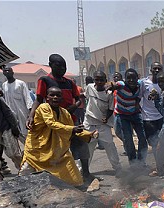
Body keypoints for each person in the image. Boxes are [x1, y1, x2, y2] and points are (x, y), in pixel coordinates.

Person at [27, 54, 95, 182]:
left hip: (69, 119)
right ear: (50, 65)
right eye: (59, 65)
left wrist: (73, 107)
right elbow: (38, 100)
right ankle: (53, 178)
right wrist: (31, 116)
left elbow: (79, 99)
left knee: (81, 144)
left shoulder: (69, 82)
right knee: (54, 150)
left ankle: (85, 173)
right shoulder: (45, 80)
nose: (62, 68)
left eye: (64, 66)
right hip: (51, 122)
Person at [20, 87, 96, 186]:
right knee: (25, 176)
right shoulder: (44, 107)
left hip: (55, 150)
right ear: (47, 97)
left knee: (74, 178)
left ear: (62, 98)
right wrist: (72, 129)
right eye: (52, 95)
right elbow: (51, 123)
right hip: (37, 150)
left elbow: (73, 128)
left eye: (58, 95)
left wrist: (89, 134)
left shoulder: (64, 113)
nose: (55, 97)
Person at [83, 71, 121, 174]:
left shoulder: (109, 93)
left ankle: (118, 168)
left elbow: (110, 108)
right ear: (94, 80)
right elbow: (85, 99)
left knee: (110, 146)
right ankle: (83, 171)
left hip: (103, 124)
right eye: (97, 79)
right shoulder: (89, 88)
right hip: (90, 122)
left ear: (105, 81)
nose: (99, 82)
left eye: (101, 80)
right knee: (88, 148)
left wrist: (106, 117)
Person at [110, 68, 148, 165]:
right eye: (128, 78)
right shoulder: (121, 85)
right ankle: (133, 163)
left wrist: (137, 102)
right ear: (125, 79)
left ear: (137, 78)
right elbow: (115, 85)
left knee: (143, 138)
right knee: (128, 139)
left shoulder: (139, 84)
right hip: (122, 115)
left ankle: (141, 161)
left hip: (135, 113)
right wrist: (111, 87)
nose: (131, 80)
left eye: (133, 78)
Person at [2, 66, 33, 143]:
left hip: (22, 111)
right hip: (11, 112)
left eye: (9, 71)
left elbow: (27, 97)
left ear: (13, 72)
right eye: (5, 71)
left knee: (26, 131)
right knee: (16, 131)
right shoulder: (4, 85)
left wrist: (30, 112)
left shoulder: (20, 83)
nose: (7, 72)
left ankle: (31, 148)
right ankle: (26, 148)